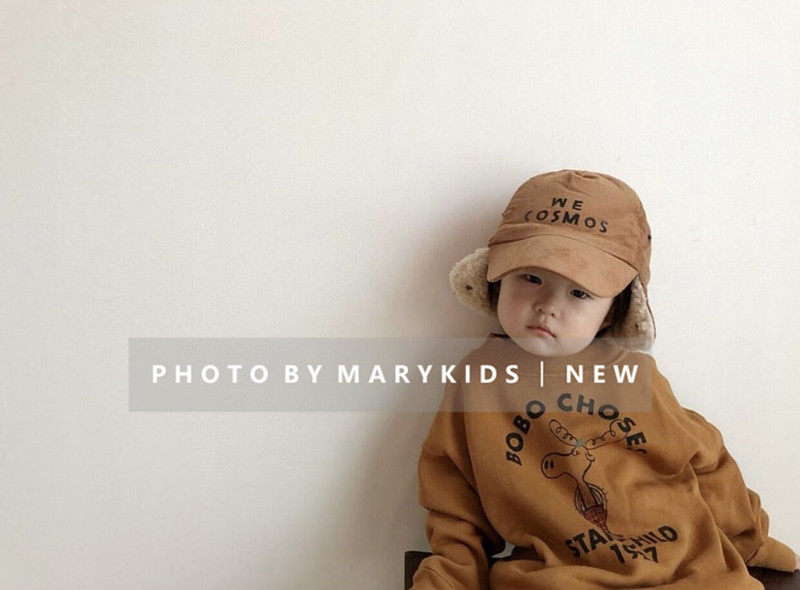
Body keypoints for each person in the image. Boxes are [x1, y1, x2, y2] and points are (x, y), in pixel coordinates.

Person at [410, 170, 800, 589]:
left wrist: (752, 543)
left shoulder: (636, 378)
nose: (548, 305)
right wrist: (451, 577)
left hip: (689, 570)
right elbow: (455, 503)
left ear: (613, 312)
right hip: (559, 578)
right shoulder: (478, 381)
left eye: (580, 292)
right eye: (531, 277)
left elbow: (708, 461)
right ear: (496, 277)